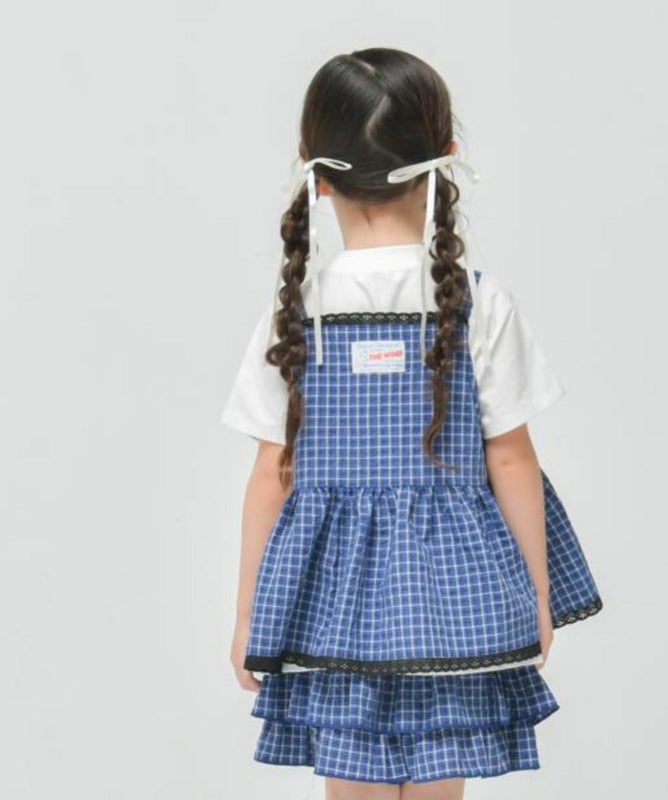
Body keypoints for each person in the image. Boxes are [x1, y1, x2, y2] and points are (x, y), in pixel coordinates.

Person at [220, 47, 603, 799]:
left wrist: (247, 617)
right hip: (452, 591)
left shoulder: (296, 312)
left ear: (315, 172)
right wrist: (535, 595)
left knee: (350, 779)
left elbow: (272, 472)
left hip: (328, 598)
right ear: (445, 157)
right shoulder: (477, 303)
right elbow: (512, 460)